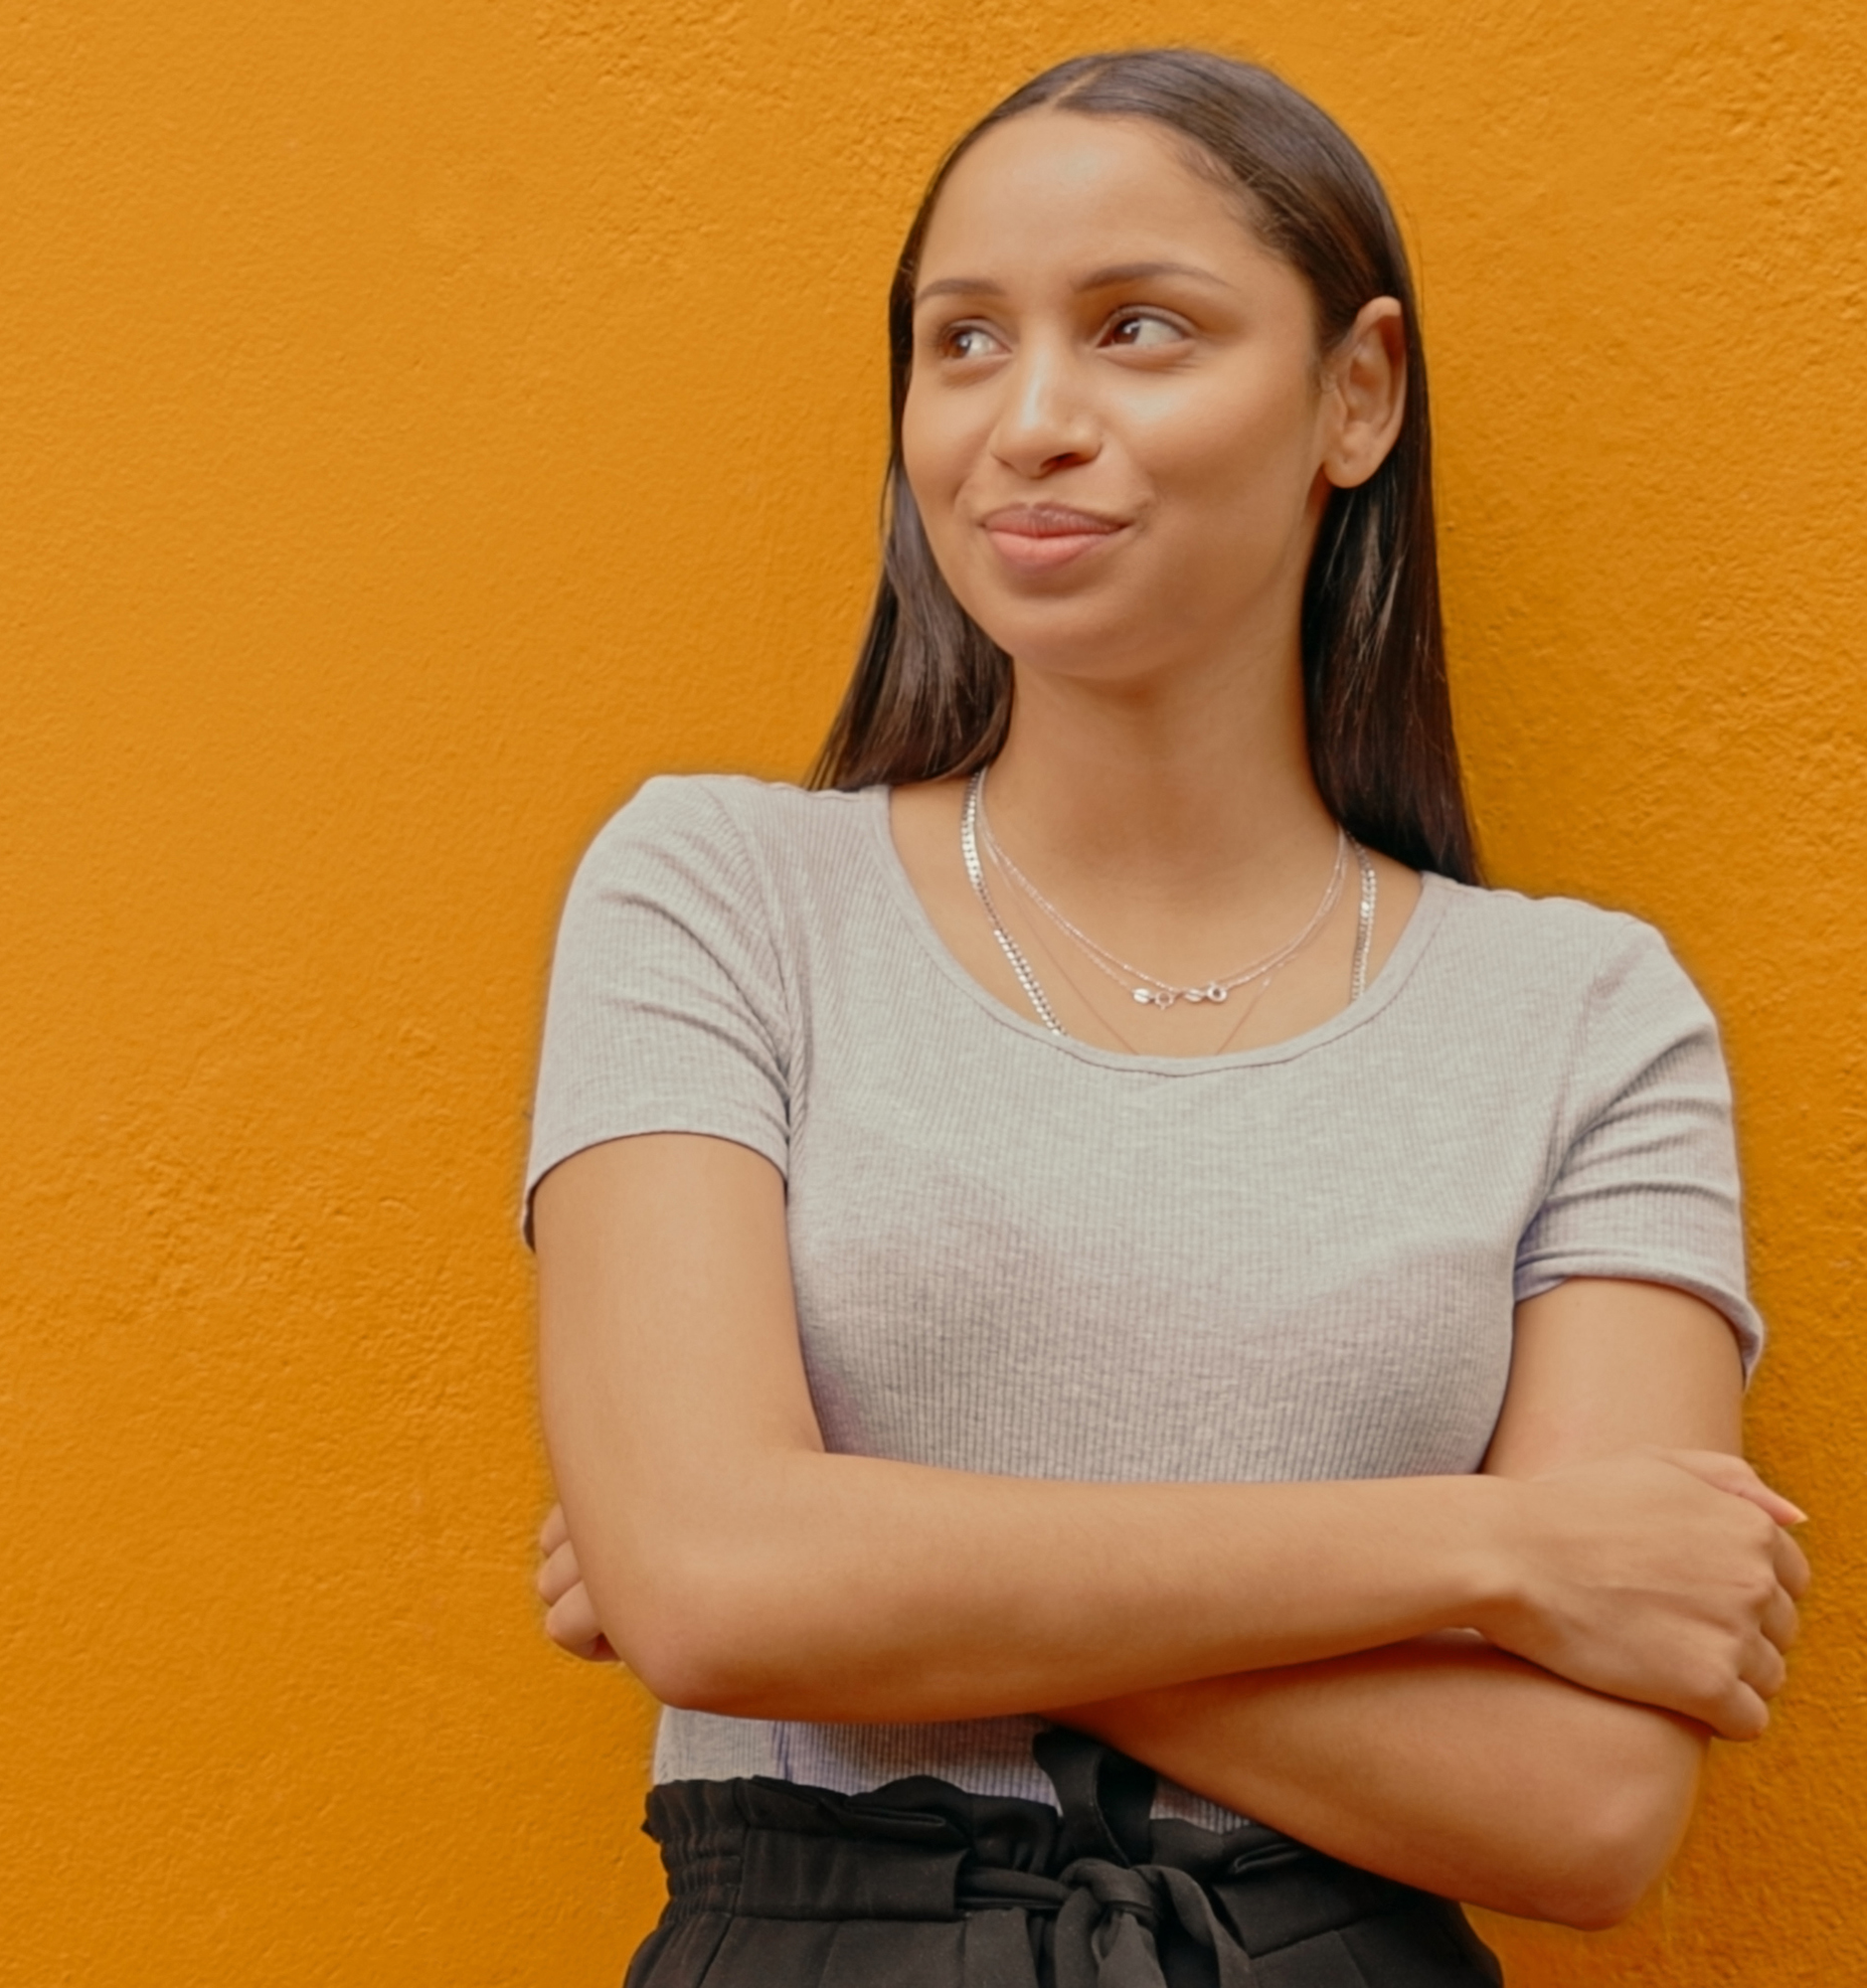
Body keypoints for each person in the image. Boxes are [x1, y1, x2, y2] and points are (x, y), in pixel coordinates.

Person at [523, 47, 1808, 1988]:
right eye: (961, 341)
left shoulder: (1585, 1017)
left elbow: (1579, 1809)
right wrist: (1491, 1558)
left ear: (1351, 393)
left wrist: (864, 1584)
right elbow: (715, 1583)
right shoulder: (710, 892)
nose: (1027, 420)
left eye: (1137, 329)